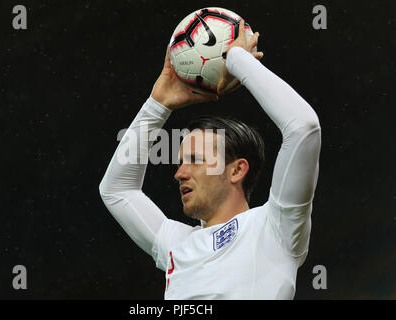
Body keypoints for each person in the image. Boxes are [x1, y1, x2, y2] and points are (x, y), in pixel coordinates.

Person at [99, 20, 321, 299]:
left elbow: (304, 128)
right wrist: (157, 105)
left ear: (237, 170)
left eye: (194, 159)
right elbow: (116, 190)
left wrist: (237, 59)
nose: (179, 173)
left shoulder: (275, 228)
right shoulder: (177, 245)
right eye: (180, 162)